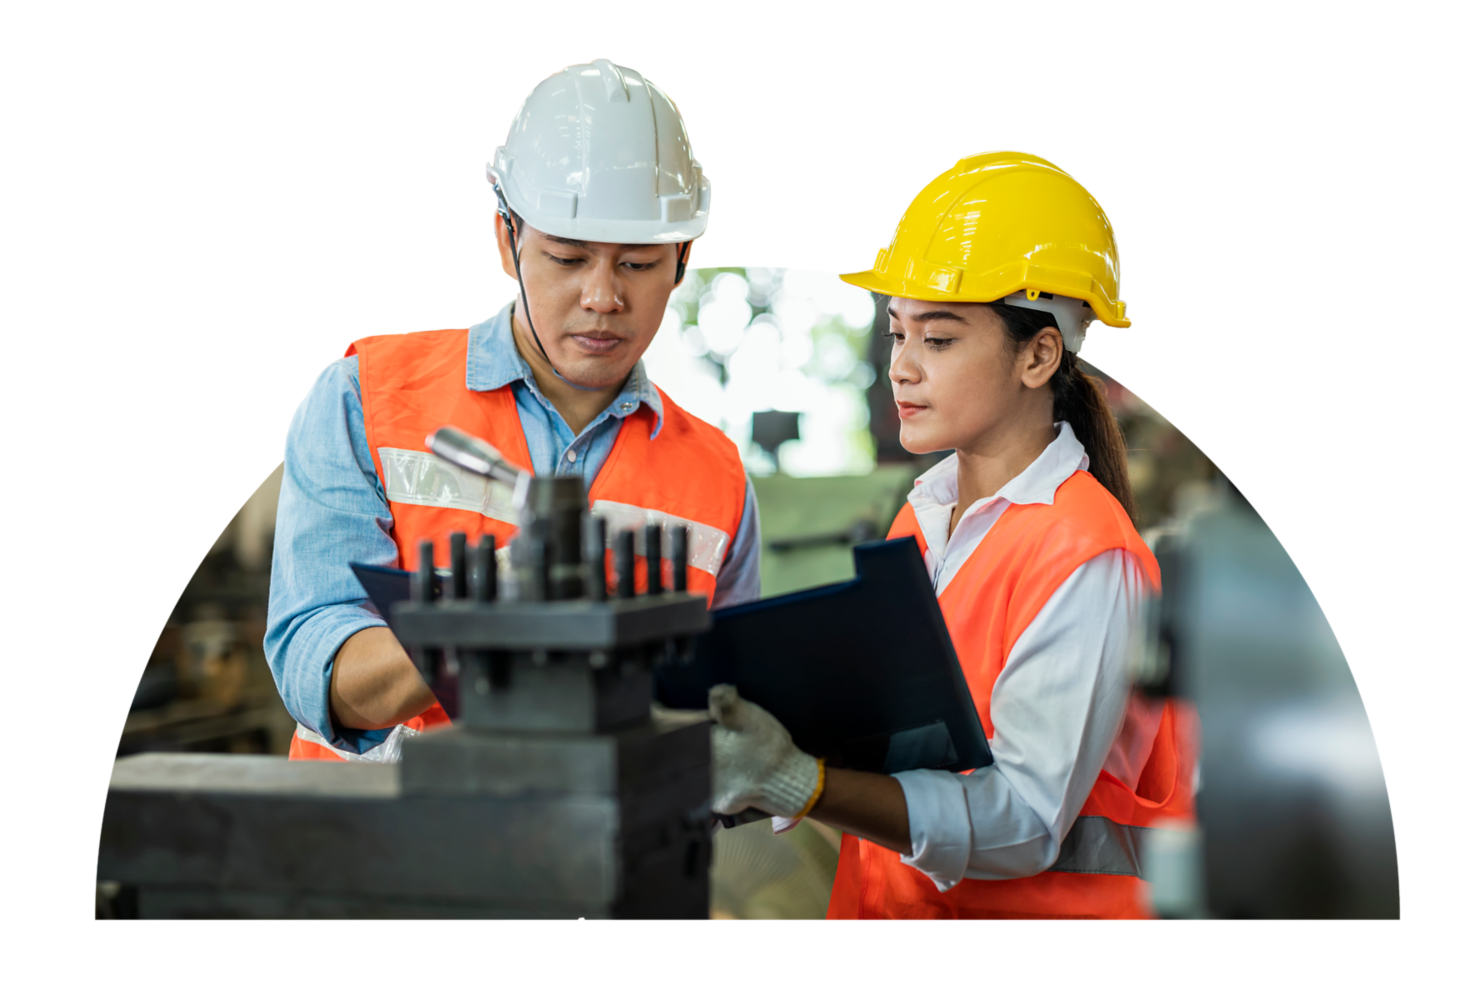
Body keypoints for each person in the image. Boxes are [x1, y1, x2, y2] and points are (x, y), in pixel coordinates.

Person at [708, 151, 1196, 919]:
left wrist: (804, 783)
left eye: (937, 340)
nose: (902, 367)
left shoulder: (1088, 557)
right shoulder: (924, 517)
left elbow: (1026, 822)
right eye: (898, 334)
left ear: (1038, 355)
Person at [265, 58, 761, 762]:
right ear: (506, 240)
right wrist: (487, 607)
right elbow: (326, 679)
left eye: (639, 264)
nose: (602, 297)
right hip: (376, 855)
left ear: (683, 258)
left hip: (597, 861)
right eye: (567, 258)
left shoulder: (716, 476)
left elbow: (722, 704)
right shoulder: (365, 400)